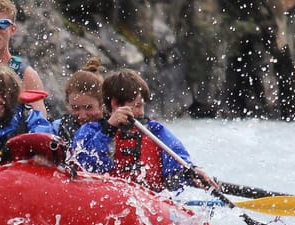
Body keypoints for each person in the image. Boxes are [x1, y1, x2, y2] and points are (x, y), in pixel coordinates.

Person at [72, 68, 219, 192]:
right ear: (116, 104)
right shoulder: (90, 132)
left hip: (150, 204)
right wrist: (109, 129)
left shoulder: (155, 131)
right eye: (137, 106)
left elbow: (177, 160)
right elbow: (84, 166)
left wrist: (191, 171)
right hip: (108, 201)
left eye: (142, 105)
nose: (142, 112)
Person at [52, 57, 106, 143]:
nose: (82, 116)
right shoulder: (58, 128)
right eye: (75, 108)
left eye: (88, 107)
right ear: (67, 104)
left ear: (102, 104)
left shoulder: (113, 129)